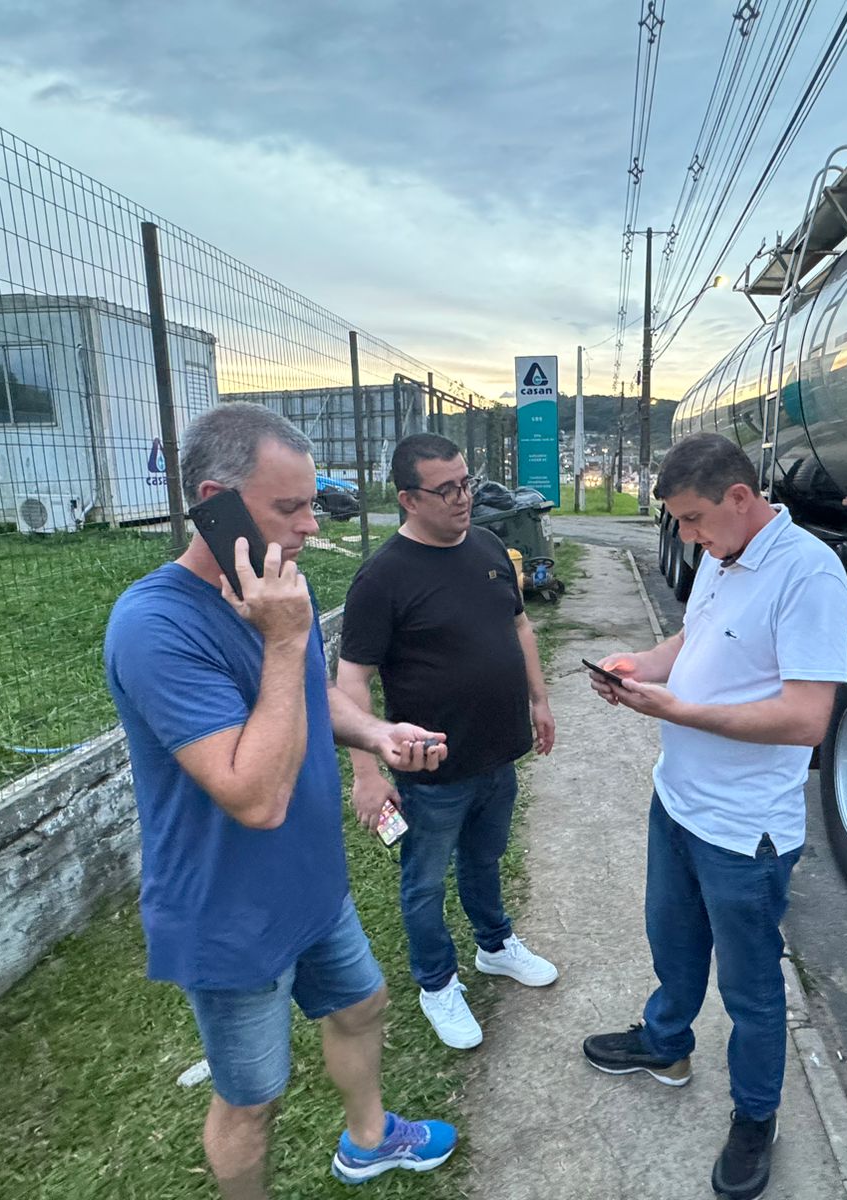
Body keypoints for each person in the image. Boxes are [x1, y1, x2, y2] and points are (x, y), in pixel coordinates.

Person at [103, 404, 457, 1198]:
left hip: (310, 882)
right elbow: (255, 798)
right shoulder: (155, 625)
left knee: (363, 1005)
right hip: (228, 911)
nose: (309, 526)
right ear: (215, 502)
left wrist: (376, 732)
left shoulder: (272, 588)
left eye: (312, 504)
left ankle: (369, 1139)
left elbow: (306, 696)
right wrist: (287, 636)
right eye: (289, 507)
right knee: (252, 1099)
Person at [580, 432, 847, 1200]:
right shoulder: (721, 554)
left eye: (695, 518)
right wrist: (640, 668)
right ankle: (667, 1043)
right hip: (678, 801)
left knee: (751, 989)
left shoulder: (809, 575)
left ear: (740, 496)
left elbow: (805, 719)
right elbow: (694, 637)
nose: (689, 536)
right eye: (680, 523)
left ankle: (756, 1117)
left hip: (744, 831)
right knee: (671, 943)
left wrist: (679, 710)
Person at [336, 433, 558, 1050]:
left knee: (485, 859)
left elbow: (519, 625)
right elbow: (352, 679)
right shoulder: (382, 577)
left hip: (498, 753)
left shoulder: (487, 546)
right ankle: (436, 983)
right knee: (426, 881)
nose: (464, 498)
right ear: (408, 499)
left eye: (467, 482)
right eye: (447, 490)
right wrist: (366, 773)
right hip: (431, 770)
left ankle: (495, 945)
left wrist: (539, 699)